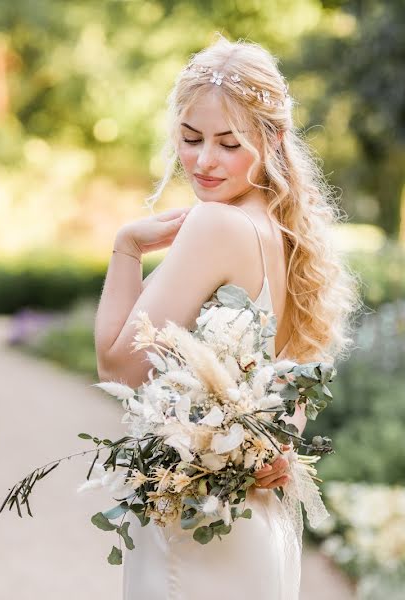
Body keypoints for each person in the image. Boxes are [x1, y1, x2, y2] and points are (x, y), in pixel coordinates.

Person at [93, 35, 360, 600]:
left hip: (197, 530)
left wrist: (126, 249)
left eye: (228, 143)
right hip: (254, 524)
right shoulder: (289, 237)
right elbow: (293, 398)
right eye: (190, 140)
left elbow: (117, 366)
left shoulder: (215, 226)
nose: (204, 161)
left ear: (272, 139)